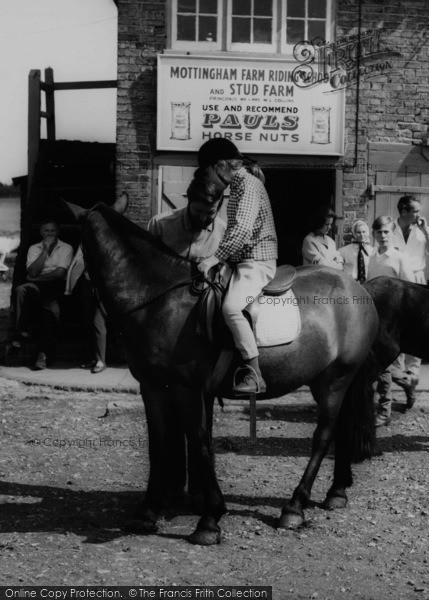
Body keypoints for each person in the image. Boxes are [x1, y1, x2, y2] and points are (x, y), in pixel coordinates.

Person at [196, 138, 278, 395]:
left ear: (221, 165)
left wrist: (213, 258)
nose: (211, 180)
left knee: (232, 307)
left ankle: (254, 374)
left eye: (210, 173)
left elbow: (241, 229)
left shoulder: (248, 185)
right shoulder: (238, 186)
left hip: (257, 261)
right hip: (242, 260)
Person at [366, 216, 414, 427]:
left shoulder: (400, 258)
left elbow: (410, 292)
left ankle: (384, 411)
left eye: (386, 232)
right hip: (376, 319)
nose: (383, 236)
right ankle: (406, 384)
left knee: (383, 365)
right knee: (380, 365)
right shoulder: (373, 257)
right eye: (379, 232)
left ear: (392, 234)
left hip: (396, 322)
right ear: (374, 234)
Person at [13, 220, 73, 369]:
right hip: (36, 285)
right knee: (22, 290)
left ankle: (42, 355)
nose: (50, 234)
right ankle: (20, 331)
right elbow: (32, 271)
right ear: (41, 233)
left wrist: (37, 277)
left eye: (53, 231)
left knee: (50, 314)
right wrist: (45, 251)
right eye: (46, 231)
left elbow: (60, 273)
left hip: (55, 286)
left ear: (58, 232)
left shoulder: (66, 248)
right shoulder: (35, 248)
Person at [391, 195, 429, 406]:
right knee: (397, 330)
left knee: (418, 329)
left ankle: (412, 378)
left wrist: (426, 231)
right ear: (404, 211)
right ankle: (402, 378)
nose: (418, 215)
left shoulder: (422, 231)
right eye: (415, 211)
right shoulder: (390, 228)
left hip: (417, 280)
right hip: (396, 284)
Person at [148, 171, 226, 261]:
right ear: (189, 202)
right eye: (198, 210)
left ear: (218, 208)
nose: (203, 218)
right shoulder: (159, 225)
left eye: (210, 213)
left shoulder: (223, 231)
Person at [65, 245, 107, 374]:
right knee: (88, 322)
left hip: (103, 287)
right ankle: (93, 358)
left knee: (97, 322)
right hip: (87, 286)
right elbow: (77, 264)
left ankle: (101, 360)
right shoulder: (84, 244)